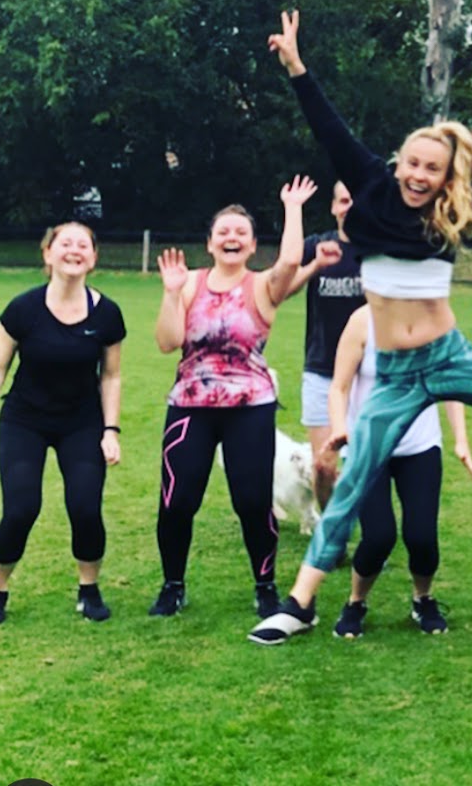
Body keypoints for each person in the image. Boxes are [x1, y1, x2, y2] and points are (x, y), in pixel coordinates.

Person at [250, 10, 472, 645]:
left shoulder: (456, 207)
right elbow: (329, 128)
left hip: (449, 355)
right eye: (413, 164)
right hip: (393, 373)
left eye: (433, 170)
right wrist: (297, 67)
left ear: (447, 177)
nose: (420, 176)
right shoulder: (372, 185)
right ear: (399, 163)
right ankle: (299, 604)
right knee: (355, 484)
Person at [150, 176, 315, 620]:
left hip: (250, 407)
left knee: (251, 502)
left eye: (240, 232)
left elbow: (292, 259)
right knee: (177, 500)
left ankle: (265, 586)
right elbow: (167, 343)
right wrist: (170, 294)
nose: (231, 237)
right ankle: (173, 586)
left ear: (252, 244)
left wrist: (293, 207)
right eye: (223, 231)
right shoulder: (189, 284)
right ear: (209, 242)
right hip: (190, 405)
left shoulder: (262, 286)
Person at [0, 223, 125, 624]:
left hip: (81, 422)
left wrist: (110, 431)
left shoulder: (107, 314)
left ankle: (89, 590)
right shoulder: (23, 309)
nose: (74, 250)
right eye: (64, 243)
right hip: (25, 420)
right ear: (47, 254)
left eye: (82, 245)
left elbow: (111, 376)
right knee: (21, 509)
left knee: (85, 507)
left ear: (94, 258)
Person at [325, 305, 472, 639]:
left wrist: (462, 441)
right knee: (378, 536)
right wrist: (339, 428)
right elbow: (339, 387)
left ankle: (423, 598)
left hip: (420, 446)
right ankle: (355, 603)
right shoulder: (361, 321)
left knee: (422, 537)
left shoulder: (437, 320)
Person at [286, 180, 365, 513]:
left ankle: (365, 530)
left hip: (368, 375)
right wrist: (315, 266)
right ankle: (331, 530)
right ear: (334, 207)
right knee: (324, 467)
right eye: (344, 200)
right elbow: (281, 289)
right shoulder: (317, 245)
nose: (350, 206)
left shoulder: (381, 252)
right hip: (321, 371)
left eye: (356, 200)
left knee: (366, 464)